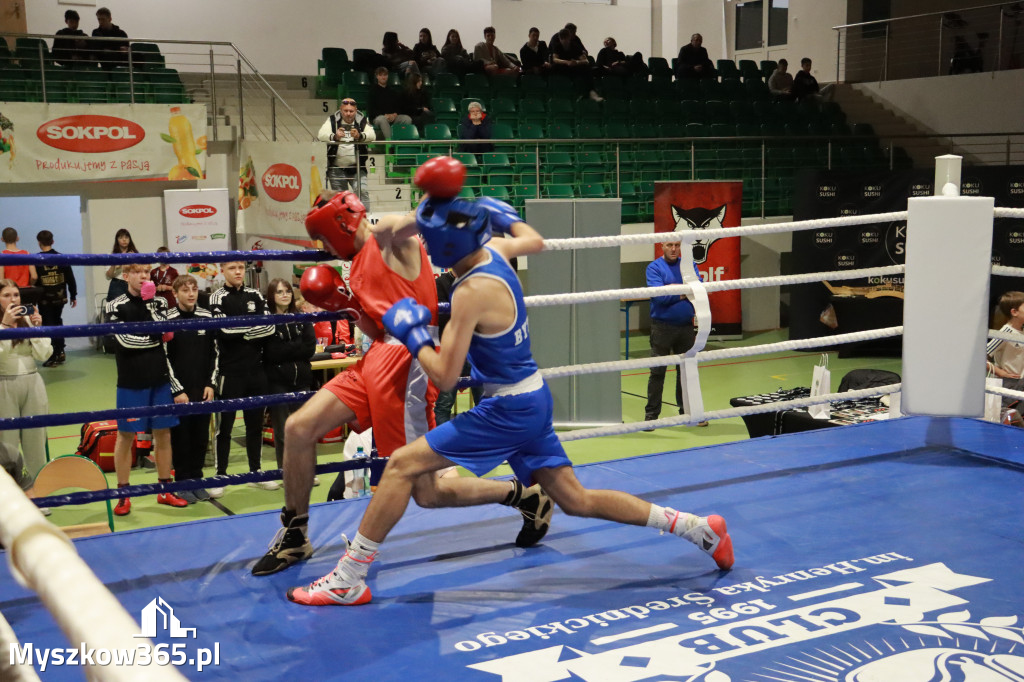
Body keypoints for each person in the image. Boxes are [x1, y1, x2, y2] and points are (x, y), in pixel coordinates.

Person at [285, 187, 734, 606]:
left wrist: (414, 334)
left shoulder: (468, 294)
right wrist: (510, 220)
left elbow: (443, 378)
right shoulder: (498, 251)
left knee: (401, 466)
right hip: (533, 398)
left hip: (506, 410)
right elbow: (533, 240)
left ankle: (349, 577)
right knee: (577, 500)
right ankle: (697, 528)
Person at [251, 185, 552, 577]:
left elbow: (414, 221)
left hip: (408, 363)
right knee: (299, 427)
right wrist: (347, 307)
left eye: (323, 237)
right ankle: (294, 533)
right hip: (376, 357)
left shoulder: (386, 236)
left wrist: (433, 197)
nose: (322, 246)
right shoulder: (354, 262)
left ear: (339, 225)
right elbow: (377, 329)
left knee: (427, 493)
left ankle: (521, 494)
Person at [104, 264, 188, 516]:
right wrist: (154, 336)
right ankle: (123, 495)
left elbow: (166, 333)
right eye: (137, 272)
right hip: (131, 382)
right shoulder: (114, 304)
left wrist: (151, 306)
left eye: (146, 272)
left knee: (163, 435)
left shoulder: (160, 303)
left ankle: (165, 490)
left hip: (159, 379)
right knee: (125, 436)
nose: (143, 276)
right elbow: (125, 341)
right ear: (126, 276)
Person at [209, 261, 276, 493]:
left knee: (254, 425)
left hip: (255, 371)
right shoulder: (217, 298)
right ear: (223, 271)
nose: (237, 272)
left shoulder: (255, 294)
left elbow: (269, 327)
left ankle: (255, 471)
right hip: (230, 371)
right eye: (232, 268)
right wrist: (250, 330)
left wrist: (243, 333)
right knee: (224, 427)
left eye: (240, 267)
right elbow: (223, 331)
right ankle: (220, 475)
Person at [165, 275, 218, 503]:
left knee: (199, 437)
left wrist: (211, 384)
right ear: (175, 293)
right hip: (180, 392)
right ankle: (182, 481)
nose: (191, 294)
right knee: (181, 438)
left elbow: (216, 353)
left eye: (194, 289)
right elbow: (164, 357)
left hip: (202, 389)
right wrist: (176, 390)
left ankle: (197, 479)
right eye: (185, 290)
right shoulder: (168, 319)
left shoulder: (206, 317)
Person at [644, 240, 708, 429]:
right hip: (662, 328)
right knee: (657, 373)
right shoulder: (654, 268)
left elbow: (698, 290)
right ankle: (651, 416)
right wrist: (684, 291)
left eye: (677, 245)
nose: (673, 249)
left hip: (686, 328)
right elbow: (660, 297)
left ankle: (688, 413)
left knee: (687, 372)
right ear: (662, 246)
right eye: (669, 245)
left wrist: (674, 290)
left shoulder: (689, 266)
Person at [0, 279, 51, 493]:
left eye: (16, 295)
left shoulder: (27, 320)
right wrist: (4, 326)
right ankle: (8, 497)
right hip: (4, 382)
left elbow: (44, 354)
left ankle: (38, 494)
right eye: (7, 295)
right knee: (7, 445)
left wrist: (37, 329)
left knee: (36, 440)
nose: (13, 299)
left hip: (33, 381)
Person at [263, 278, 315, 471]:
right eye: (279, 292)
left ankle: (306, 470)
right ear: (271, 295)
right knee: (283, 430)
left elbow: (309, 348)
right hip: (278, 381)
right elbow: (271, 352)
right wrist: (295, 346)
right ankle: (286, 471)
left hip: (301, 380)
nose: (285, 295)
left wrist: (287, 347)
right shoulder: (267, 320)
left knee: (303, 429)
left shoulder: (301, 317)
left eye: (287, 291)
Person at [317, 98, 376, 212]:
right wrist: (335, 136)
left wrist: (360, 136)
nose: (348, 114)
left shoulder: (362, 119)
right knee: (341, 200)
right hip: (336, 168)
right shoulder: (332, 119)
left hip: (357, 168)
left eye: (351, 111)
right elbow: (321, 135)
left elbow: (372, 135)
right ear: (341, 110)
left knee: (362, 192)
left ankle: (365, 220)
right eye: (345, 111)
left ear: (356, 110)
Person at [36, 230, 77, 368]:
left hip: (44, 299)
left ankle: (54, 354)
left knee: (49, 325)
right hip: (59, 298)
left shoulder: (36, 259)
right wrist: (74, 295)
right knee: (57, 321)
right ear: (52, 241)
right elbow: (70, 278)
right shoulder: (61, 257)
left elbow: (35, 280)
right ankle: (60, 351)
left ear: (39, 243)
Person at [986, 291, 1024, 410]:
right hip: (1008, 383)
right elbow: (981, 356)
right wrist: (1000, 372)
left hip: (1020, 382)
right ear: (1014, 312)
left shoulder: (1022, 331)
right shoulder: (1006, 332)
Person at [368, 66, 412, 140]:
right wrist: (385, 115)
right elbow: (371, 110)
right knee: (382, 119)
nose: (383, 77)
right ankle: (391, 143)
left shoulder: (392, 91)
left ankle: (401, 141)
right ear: (377, 76)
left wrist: (394, 114)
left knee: (407, 119)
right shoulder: (372, 91)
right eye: (381, 75)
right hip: (378, 118)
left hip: (392, 117)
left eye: (385, 75)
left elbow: (398, 106)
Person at [105, 228, 137, 302]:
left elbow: (139, 271)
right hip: (117, 284)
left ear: (130, 239)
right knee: (116, 310)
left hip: (132, 284)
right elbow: (108, 276)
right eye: (121, 237)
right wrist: (116, 263)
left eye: (126, 237)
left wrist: (134, 260)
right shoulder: (111, 256)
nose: (124, 240)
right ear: (117, 240)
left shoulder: (135, 255)